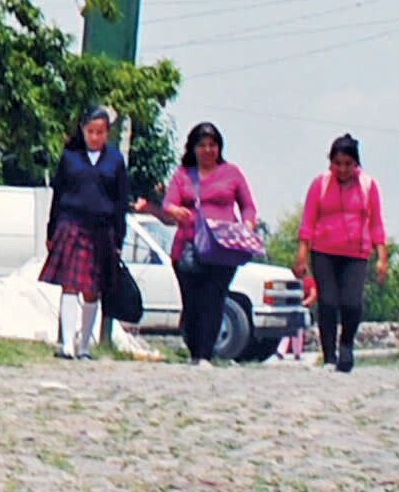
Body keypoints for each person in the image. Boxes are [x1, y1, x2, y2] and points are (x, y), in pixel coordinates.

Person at [43, 105, 142, 359]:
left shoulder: (115, 162)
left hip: (102, 230)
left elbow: (121, 203)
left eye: (100, 132)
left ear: (107, 133)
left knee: (91, 289)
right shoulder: (70, 157)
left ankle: (84, 345)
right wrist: (51, 230)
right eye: (90, 131)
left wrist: (119, 238)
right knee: (70, 285)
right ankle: (66, 344)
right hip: (71, 224)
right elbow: (58, 195)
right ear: (83, 130)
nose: (95, 137)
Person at [157, 121, 259, 367]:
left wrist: (248, 225)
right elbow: (168, 203)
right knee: (192, 303)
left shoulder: (232, 173)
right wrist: (175, 211)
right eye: (202, 145)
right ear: (193, 148)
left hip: (223, 249)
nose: (207, 150)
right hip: (189, 248)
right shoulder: (182, 175)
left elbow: (248, 206)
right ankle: (194, 350)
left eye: (212, 145)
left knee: (214, 300)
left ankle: (205, 354)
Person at [295, 134, 389, 372]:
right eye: (338, 164)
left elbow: (376, 224)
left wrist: (381, 257)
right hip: (324, 250)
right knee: (327, 302)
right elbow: (308, 220)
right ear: (331, 163)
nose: (343, 169)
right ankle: (329, 355)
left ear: (356, 164)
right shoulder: (320, 184)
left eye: (348, 164)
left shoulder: (368, 186)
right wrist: (302, 254)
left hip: (355, 253)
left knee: (352, 304)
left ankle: (346, 344)